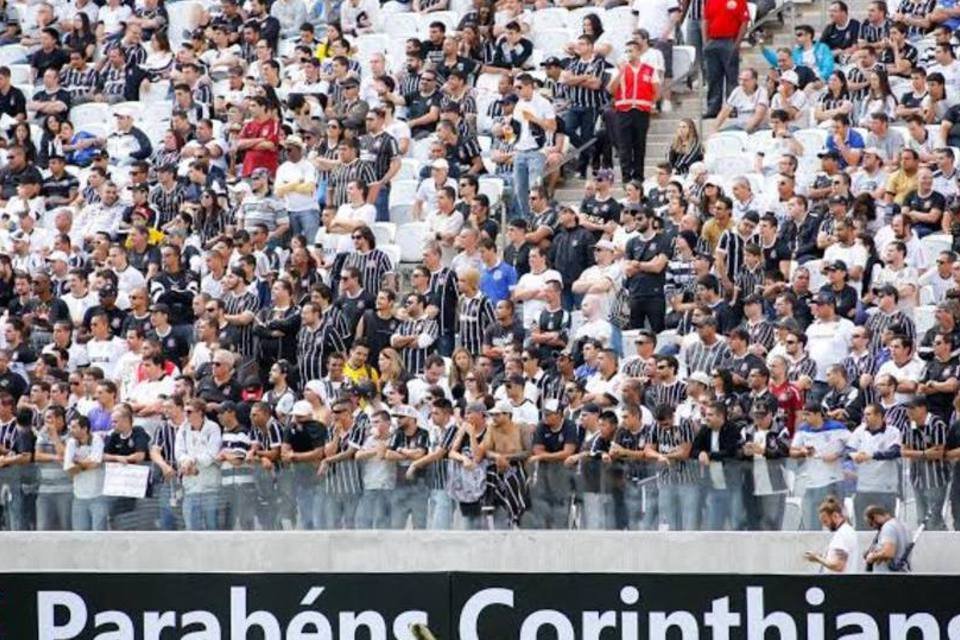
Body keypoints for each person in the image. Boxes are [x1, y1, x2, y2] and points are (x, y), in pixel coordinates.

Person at [803, 497, 861, 573]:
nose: (825, 526)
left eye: (826, 521)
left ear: (835, 516)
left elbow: (838, 565)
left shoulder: (843, 534)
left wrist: (816, 558)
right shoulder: (846, 531)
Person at [863, 504, 910, 572]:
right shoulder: (903, 526)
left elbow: (888, 552)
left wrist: (872, 557)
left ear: (876, 517)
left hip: (887, 577)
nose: (873, 527)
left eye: (871, 523)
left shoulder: (888, 527)